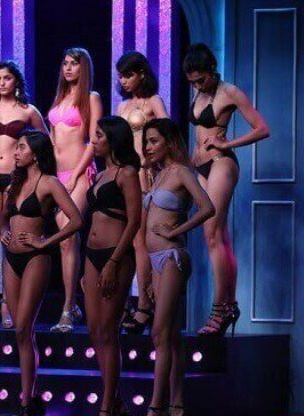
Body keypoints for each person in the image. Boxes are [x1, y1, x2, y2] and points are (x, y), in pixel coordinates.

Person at [182, 44, 269, 336]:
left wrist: (227, 143)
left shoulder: (229, 92)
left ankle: (219, 309)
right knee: (218, 238)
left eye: (200, 80)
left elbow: (262, 128)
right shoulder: (200, 93)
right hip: (200, 168)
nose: (197, 86)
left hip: (221, 163)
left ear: (212, 69)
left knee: (212, 235)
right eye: (192, 82)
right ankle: (230, 305)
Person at [1, 129, 82, 416]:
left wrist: (46, 242)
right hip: (11, 258)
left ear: (35, 153)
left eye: (21, 147)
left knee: (24, 327)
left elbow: (76, 220)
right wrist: (4, 232)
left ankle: (27, 401)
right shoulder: (13, 185)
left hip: (36, 257)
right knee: (20, 333)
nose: (16, 152)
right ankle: (31, 397)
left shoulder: (49, 183)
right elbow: (4, 218)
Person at [142, 118, 215, 416]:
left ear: (170, 142)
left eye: (154, 141)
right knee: (171, 335)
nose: (148, 147)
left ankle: (155, 406)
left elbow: (208, 207)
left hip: (172, 257)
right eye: (146, 142)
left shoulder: (182, 172)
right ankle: (177, 402)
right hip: (154, 261)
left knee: (158, 333)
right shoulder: (157, 175)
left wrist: (176, 230)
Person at [0, 60, 46, 329]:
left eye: (7, 78)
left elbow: (44, 143)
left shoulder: (28, 111)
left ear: (16, 80)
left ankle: (7, 302)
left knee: (11, 239)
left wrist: (35, 178)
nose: (2, 82)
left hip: (16, 178)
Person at [82, 117, 142, 415]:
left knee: (108, 330)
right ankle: (115, 399)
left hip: (115, 256)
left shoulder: (127, 173)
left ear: (113, 139)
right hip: (92, 257)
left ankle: (107, 404)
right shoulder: (101, 174)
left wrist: (113, 262)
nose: (93, 141)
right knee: (94, 329)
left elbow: (134, 221)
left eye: (99, 136)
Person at [47, 47, 102, 333]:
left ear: (84, 68)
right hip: (56, 175)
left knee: (69, 237)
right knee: (63, 241)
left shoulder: (91, 98)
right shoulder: (60, 98)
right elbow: (52, 137)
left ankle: (68, 308)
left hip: (79, 174)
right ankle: (73, 303)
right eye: (65, 63)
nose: (68, 68)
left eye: (74, 64)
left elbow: (94, 142)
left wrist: (76, 175)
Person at [114, 51, 169, 334]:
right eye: (121, 76)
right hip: (122, 174)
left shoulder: (153, 101)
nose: (123, 81)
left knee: (140, 242)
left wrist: (150, 159)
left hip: (143, 174)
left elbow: (168, 132)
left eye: (128, 75)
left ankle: (145, 305)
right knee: (122, 241)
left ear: (142, 74)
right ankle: (124, 302)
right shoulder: (122, 105)